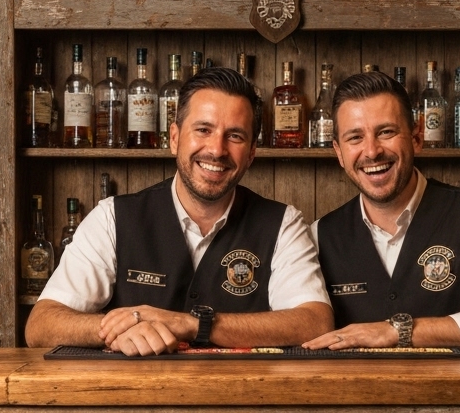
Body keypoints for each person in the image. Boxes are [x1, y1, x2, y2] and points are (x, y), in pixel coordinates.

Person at [25, 67, 332, 355]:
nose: (216, 149)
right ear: (174, 139)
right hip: (132, 405)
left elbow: (314, 321)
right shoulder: (112, 217)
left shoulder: (282, 223)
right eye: (203, 129)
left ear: (251, 153)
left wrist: (192, 324)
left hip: (244, 402)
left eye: (235, 135)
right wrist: (118, 329)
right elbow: (40, 325)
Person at [305, 71, 460, 350]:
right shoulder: (320, 234)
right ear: (338, 152)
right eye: (355, 137)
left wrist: (398, 331)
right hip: (356, 394)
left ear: (416, 137)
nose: (371, 151)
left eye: (386, 132)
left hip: (459, 393)